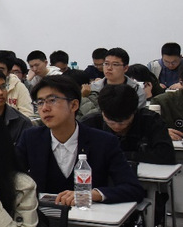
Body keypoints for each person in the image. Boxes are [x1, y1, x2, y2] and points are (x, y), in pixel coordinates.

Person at [16, 75, 144, 205]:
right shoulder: (31, 138)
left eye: (52, 100)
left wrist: (93, 194)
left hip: (89, 215)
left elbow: (133, 189)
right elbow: (12, 176)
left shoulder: (103, 142)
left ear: (74, 105)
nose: (45, 108)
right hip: (44, 214)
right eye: (40, 102)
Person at [80, 84, 175, 164]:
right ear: (102, 112)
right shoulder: (90, 124)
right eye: (111, 121)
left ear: (134, 112)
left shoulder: (151, 120)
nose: (117, 126)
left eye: (123, 122)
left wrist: (118, 155)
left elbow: (166, 155)